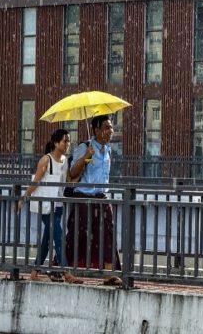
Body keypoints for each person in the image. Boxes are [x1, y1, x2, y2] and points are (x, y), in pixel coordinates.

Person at [16, 128, 82, 284]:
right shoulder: (46, 160)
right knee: (58, 237)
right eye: (65, 141)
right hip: (45, 206)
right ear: (55, 142)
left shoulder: (65, 161)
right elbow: (36, 182)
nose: (67, 144)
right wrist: (23, 198)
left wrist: (83, 165)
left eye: (69, 141)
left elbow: (68, 182)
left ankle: (34, 271)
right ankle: (66, 273)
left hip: (57, 205)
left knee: (47, 239)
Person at [65, 115, 122, 285]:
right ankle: (65, 270)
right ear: (96, 130)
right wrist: (87, 156)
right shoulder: (85, 147)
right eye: (106, 127)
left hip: (101, 196)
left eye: (111, 128)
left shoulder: (108, 150)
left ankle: (108, 272)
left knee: (107, 233)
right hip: (84, 196)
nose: (110, 131)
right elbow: (73, 173)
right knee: (78, 233)